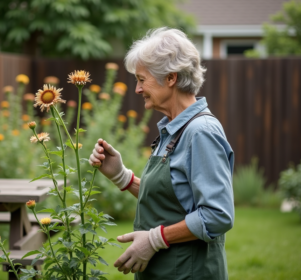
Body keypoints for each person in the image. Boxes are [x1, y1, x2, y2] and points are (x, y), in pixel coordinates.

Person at [89, 27, 234, 280]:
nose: (137, 89)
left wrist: (155, 239)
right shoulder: (175, 129)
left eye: (141, 80)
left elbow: (217, 215)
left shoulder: (200, 132)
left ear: (170, 78)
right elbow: (173, 201)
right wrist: (122, 177)